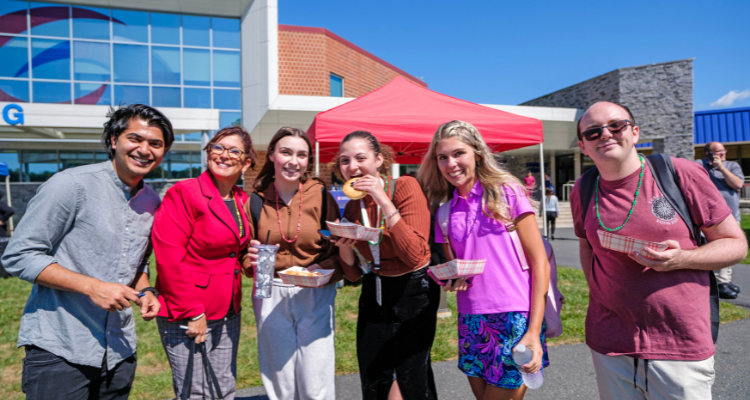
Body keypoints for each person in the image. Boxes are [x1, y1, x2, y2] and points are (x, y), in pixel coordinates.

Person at [570, 101, 747, 399]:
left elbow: (736, 244)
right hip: (611, 342)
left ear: (635, 132)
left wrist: (682, 259)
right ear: (583, 146)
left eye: (616, 126)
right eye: (593, 131)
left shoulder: (678, 173)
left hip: (679, 342)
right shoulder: (583, 189)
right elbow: (588, 245)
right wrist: (598, 292)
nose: (605, 134)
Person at [1, 104, 173, 399]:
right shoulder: (71, 185)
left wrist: (146, 292)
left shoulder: (150, 201)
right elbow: (19, 254)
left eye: (155, 144)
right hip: (61, 347)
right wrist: (91, 287)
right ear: (114, 140)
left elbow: (136, 263)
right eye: (135, 139)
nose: (145, 149)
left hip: (119, 350)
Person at [418, 120, 550, 400]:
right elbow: (460, 272)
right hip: (471, 319)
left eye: (458, 153)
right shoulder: (444, 212)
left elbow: (540, 262)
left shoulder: (507, 192)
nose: (450, 163)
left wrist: (534, 331)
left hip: (515, 317)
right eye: (442, 157)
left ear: (477, 153)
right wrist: (452, 281)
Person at [331, 131, 439, 400]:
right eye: (345, 161)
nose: (352, 167)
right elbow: (354, 274)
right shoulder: (353, 208)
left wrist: (381, 197)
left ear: (378, 160)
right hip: (375, 291)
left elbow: (415, 254)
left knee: (411, 376)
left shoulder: (404, 186)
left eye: (360, 158)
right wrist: (344, 245)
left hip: (413, 291)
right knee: (375, 374)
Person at [151, 126, 255, 400]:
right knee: (194, 392)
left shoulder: (241, 199)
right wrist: (193, 312)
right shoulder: (184, 192)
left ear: (246, 162)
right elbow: (168, 258)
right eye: (217, 148)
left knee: (223, 387)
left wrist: (250, 259)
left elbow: (237, 249)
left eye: (234, 150)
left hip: (228, 307)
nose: (224, 155)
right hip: (189, 309)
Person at [242, 127, 343, 400]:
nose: (293, 161)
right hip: (269, 288)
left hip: (313, 290)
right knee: (280, 379)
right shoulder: (254, 200)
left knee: (316, 378)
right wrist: (249, 259)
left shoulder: (321, 196)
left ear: (308, 161)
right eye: (286, 152)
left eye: (301, 155)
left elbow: (339, 249)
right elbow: (243, 251)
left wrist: (323, 269)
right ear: (272, 154)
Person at [696, 141, 744, 299]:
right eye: (718, 152)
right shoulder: (700, 166)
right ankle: (719, 283)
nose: (722, 154)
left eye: (723, 151)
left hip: (731, 216)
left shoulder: (731, 166)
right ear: (708, 154)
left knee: (730, 248)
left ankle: (725, 280)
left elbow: (738, 185)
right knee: (716, 248)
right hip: (710, 218)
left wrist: (721, 167)